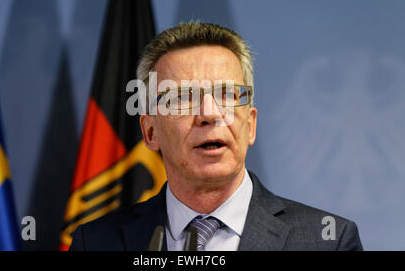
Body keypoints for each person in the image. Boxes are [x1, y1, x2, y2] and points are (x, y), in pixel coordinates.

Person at [69, 21, 363, 251]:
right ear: (150, 131)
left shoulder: (327, 240)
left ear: (251, 124)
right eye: (183, 97)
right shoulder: (96, 242)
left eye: (226, 94)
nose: (209, 114)